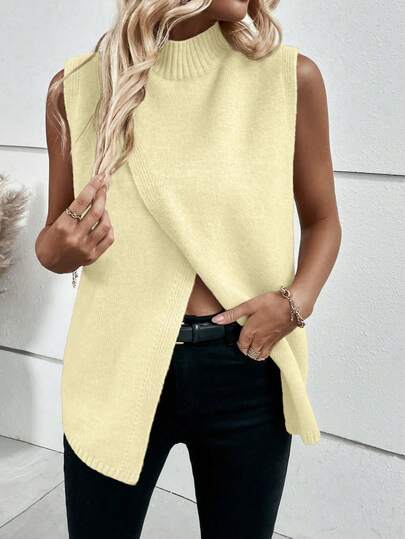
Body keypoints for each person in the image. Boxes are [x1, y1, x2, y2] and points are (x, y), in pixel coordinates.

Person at [35, 1, 341, 537]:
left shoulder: (289, 78)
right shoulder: (77, 88)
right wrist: (62, 249)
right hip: (113, 364)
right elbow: (52, 243)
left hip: (246, 363)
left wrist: (295, 305)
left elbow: (323, 221)